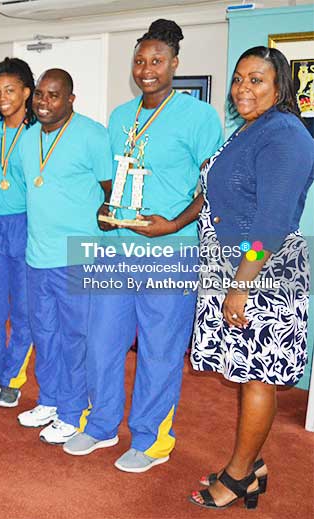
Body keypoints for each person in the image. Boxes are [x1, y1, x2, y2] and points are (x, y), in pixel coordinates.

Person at [64, 19, 223, 472]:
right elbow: (116, 180)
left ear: (175, 63)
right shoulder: (120, 116)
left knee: (159, 348)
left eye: (156, 60)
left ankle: (153, 439)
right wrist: (104, 209)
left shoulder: (198, 117)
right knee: (102, 342)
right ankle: (101, 425)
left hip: (169, 249)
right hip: (116, 246)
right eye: (140, 60)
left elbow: (213, 185)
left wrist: (172, 224)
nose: (146, 68)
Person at [189, 46, 313, 510]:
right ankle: (251, 467)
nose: (243, 88)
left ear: (280, 86)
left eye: (257, 80)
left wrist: (240, 285)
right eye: (239, 78)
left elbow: (272, 222)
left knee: (257, 378)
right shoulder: (253, 129)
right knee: (247, 376)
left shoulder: (285, 136)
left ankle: (240, 476)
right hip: (237, 268)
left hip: (262, 274)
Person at [14, 69, 109, 445]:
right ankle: (50, 400)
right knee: (45, 334)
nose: (44, 102)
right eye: (39, 94)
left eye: (54, 96)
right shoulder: (27, 139)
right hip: (38, 253)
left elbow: (109, 190)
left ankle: (72, 411)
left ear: (71, 99)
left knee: (74, 336)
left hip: (77, 254)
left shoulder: (92, 135)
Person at [0, 57, 35, 409]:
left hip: (28, 225)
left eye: (11, 90)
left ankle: (13, 376)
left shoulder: (37, 134)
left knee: (24, 310)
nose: (3, 97)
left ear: (27, 93)